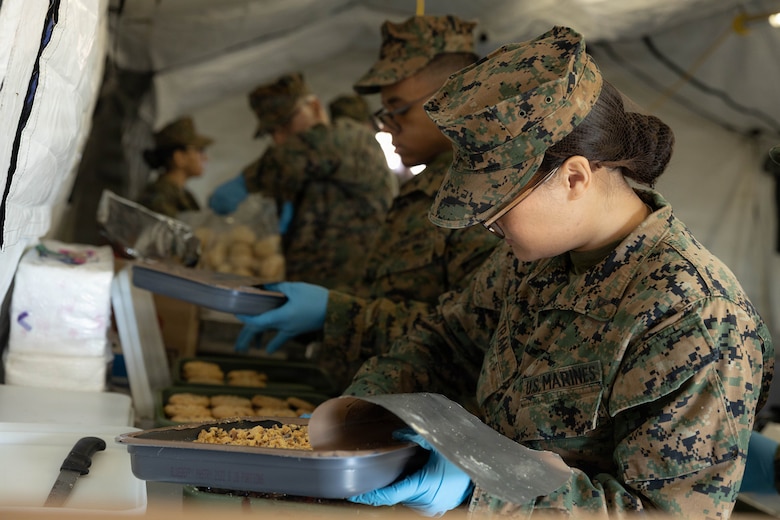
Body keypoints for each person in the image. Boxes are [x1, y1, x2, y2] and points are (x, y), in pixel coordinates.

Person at [342, 26, 774, 517]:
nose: (487, 222)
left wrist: (482, 490)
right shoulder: (531, 262)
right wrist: (364, 411)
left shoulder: (691, 314)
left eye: (498, 203)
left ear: (574, 177)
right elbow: (446, 341)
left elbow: (659, 513)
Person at [234, 15, 501, 392]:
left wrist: (336, 314)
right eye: (383, 113)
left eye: (398, 109)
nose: (387, 126)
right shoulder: (431, 187)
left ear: (455, 97)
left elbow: (471, 334)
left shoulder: (484, 198)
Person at [208, 72, 398, 289]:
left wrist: (245, 181)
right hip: (313, 291)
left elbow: (297, 154)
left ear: (315, 106)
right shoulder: (311, 168)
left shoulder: (352, 140)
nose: (278, 138)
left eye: (285, 124)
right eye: (271, 132)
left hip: (353, 296)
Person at [137, 116, 212, 218]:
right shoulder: (159, 200)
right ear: (179, 158)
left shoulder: (180, 194)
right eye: (199, 150)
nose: (205, 158)